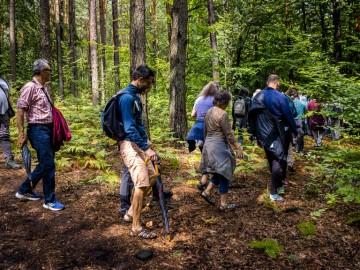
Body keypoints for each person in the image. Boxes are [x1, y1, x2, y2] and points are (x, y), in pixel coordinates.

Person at [15, 59, 64, 211]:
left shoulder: (43, 88)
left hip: (46, 130)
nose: (51, 74)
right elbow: (20, 110)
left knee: (44, 163)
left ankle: (24, 190)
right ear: (42, 72)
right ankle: (49, 200)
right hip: (38, 131)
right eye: (49, 70)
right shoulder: (30, 87)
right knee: (48, 165)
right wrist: (21, 134)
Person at [118, 64, 158, 239]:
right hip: (129, 144)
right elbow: (129, 128)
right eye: (148, 83)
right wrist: (146, 148)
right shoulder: (126, 98)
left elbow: (138, 124)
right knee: (141, 182)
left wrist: (147, 141)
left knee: (152, 176)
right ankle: (136, 227)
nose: (149, 87)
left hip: (137, 142)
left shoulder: (134, 97)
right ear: (140, 80)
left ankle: (130, 213)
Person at [248, 74, 298, 201]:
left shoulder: (258, 96)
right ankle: (274, 192)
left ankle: (279, 185)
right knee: (278, 160)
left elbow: (252, 116)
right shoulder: (280, 96)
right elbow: (288, 116)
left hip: (262, 134)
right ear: (277, 83)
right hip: (276, 134)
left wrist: (255, 134)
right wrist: (295, 130)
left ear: (267, 82)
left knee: (273, 160)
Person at [200, 90, 243, 210]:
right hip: (219, 146)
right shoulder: (223, 114)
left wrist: (206, 145)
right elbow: (228, 134)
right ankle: (224, 204)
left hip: (208, 144)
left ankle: (207, 192)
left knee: (219, 170)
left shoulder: (209, 111)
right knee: (225, 172)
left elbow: (205, 130)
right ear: (224, 102)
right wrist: (238, 148)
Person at [186, 81, 219, 190]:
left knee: (204, 154)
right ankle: (210, 178)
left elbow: (193, 114)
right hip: (209, 128)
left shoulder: (198, 99)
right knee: (210, 155)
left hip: (198, 128)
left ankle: (205, 179)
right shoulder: (215, 100)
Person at [0, 78, 21, 169]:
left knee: (5, 135)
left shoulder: (3, 81)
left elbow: (8, 97)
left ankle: (9, 160)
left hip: (4, 112)